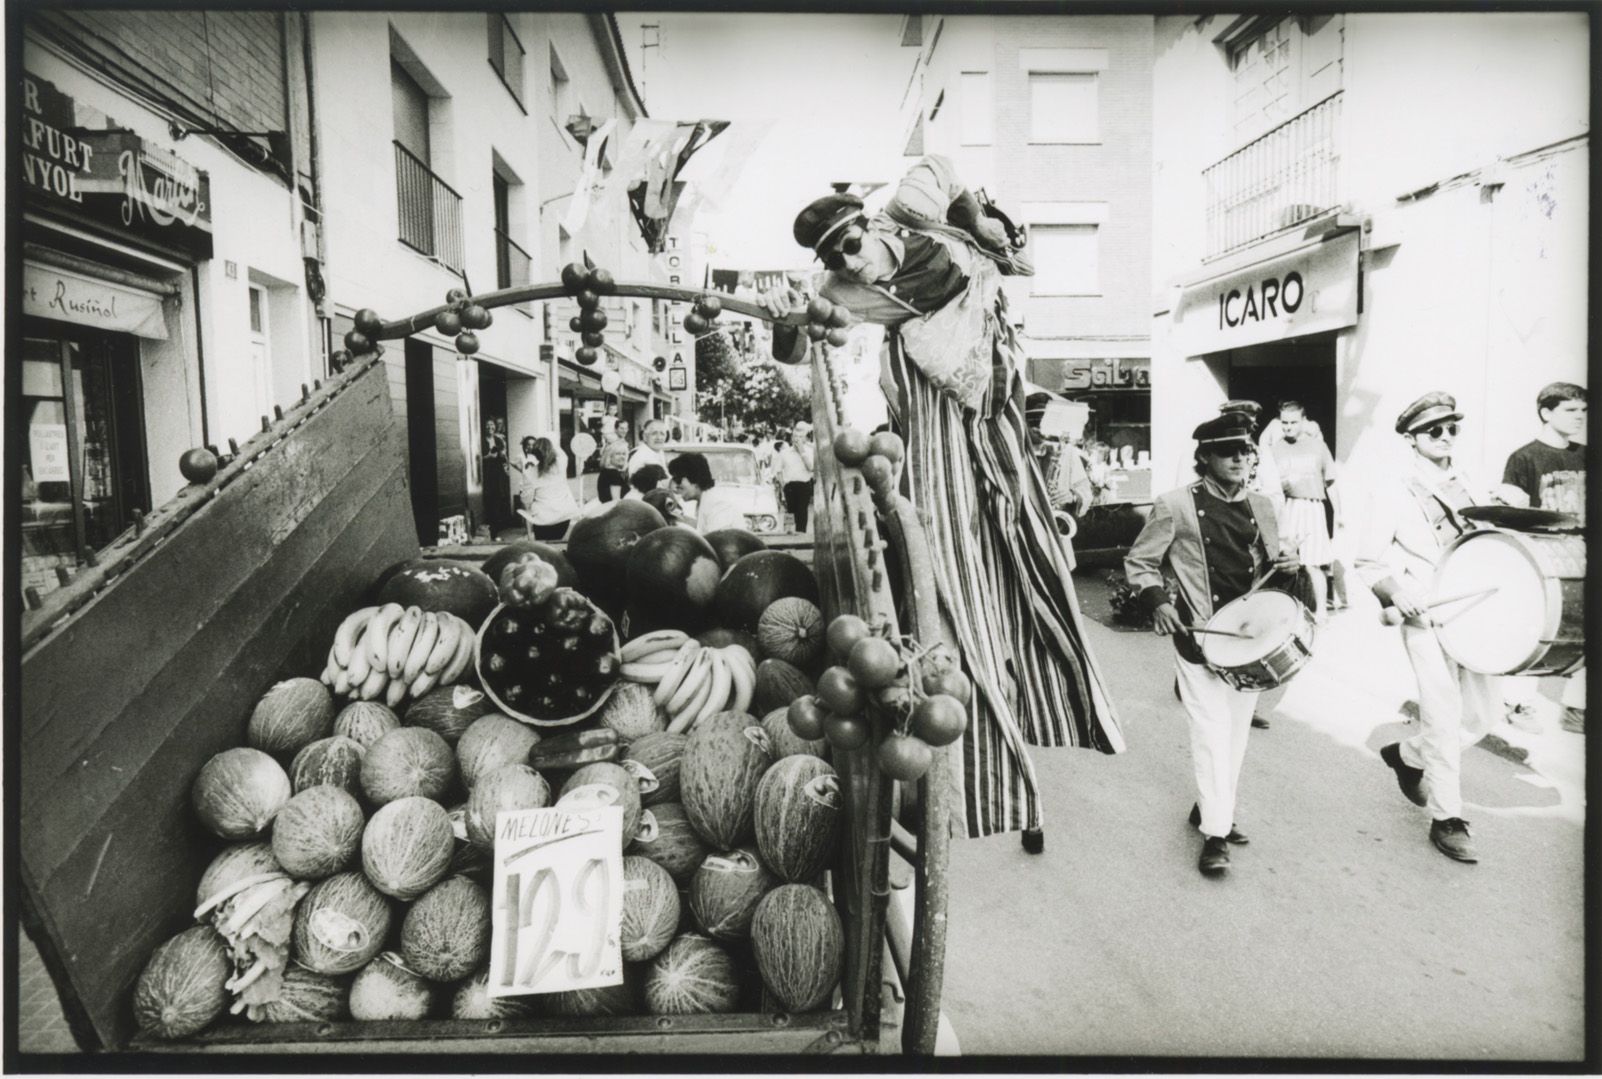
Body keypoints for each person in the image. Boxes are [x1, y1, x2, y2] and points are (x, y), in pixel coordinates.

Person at [760, 153, 1123, 846]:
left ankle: (1035, 741)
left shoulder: (917, 215)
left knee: (1023, 583)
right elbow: (794, 340)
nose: (848, 258)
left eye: (849, 241)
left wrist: (975, 217)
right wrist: (785, 317)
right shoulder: (842, 289)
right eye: (834, 254)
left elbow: (946, 172)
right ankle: (994, 789)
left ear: (867, 223)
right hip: (934, 441)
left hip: (994, 423)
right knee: (957, 608)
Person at [1124, 412, 1300, 878]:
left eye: (1246, 450)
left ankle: (1210, 807)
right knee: (1210, 734)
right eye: (1229, 451)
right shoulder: (1174, 505)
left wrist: (1290, 564)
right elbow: (1140, 563)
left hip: (1248, 640)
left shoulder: (1264, 505)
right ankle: (1216, 833)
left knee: (1236, 735)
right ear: (1205, 458)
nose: (1240, 458)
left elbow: (1273, 574)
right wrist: (1158, 602)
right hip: (1198, 636)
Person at [1356, 392, 1506, 863]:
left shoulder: (1471, 483)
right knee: (1442, 717)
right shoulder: (1394, 490)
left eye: (1451, 429)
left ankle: (1407, 756)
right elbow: (1368, 560)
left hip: (1474, 614)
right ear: (1411, 439)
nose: (1444, 438)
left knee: (1482, 717)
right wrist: (1395, 593)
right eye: (1432, 431)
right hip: (1428, 614)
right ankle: (1447, 818)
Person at [1501, 380, 1587, 734]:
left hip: (1581, 555)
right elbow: (1512, 506)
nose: (1580, 417)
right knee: (1534, 629)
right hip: (1544, 558)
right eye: (1571, 410)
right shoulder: (1525, 457)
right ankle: (1518, 703)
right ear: (1546, 413)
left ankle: (1577, 707)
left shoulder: (1586, 453)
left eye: (1583, 410)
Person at [1269, 401, 1342, 622]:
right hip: (1287, 507)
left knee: (1313, 562)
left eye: (1293, 422)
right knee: (1287, 563)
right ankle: (1289, 613)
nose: (1288, 427)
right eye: (1284, 423)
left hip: (1311, 507)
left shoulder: (1318, 446)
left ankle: (1321, 611)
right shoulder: (1274, 449)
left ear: (1303, 421)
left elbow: (1330, 482)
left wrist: (1338, 513)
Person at [510, 436, 580, 541]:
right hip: (563, 517)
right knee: (557, 544)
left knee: (543, 548)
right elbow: (559, 451)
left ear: (535, 454)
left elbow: (526, 500)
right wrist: (546, 444)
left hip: (542, 520)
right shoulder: (561, 465)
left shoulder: (529, 472)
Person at [668, 451, 747, 533]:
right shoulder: (706, 499)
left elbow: (715, 541)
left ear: (694, 478)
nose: (675, 486)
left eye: (678, 480)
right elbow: (702, 527)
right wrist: (676, 517)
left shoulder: (718, 505)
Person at [775, 424, 816, 533]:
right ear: (792, 438)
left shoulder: (809, 451)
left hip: (804, 484)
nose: (797, 439)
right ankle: (788, 533)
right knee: (789, 511)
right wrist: (783, 484)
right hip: (789, 485)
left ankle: (801, 533)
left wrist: (802, 452)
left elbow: (811, 467)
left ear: (805, 438)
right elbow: (778, 470)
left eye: (801, 437)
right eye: (795, 436)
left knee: (802, 511)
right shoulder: (785, 453)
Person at [596, 420, 632, 503]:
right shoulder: (612, 474)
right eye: (621, 428)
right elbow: (616, 502)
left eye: (624, 454)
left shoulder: (609, 472)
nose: (624, 431)